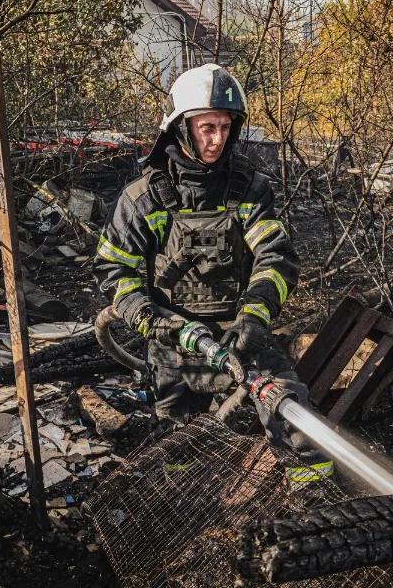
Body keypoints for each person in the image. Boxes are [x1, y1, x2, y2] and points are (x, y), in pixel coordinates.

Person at [95, 64, 332, 486]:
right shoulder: (143, 198)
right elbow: (115, 270)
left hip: (239, 336)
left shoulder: (249, 189)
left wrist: (254, 317)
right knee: (177, 446)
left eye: (225, 127)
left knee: (292, 415)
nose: (218, 139)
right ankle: (194, 505)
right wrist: (153, 321)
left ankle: (315, 504)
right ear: (181, 127)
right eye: (207, 127)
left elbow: (275, 257)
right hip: (172, 340)